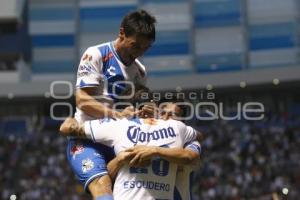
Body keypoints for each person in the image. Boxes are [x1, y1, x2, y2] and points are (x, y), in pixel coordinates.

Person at [67, 9, 156, 200]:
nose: (138, 52)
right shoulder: (96, 54)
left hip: (119, 141)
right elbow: (82, 100)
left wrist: (144, 110)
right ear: (122, 33)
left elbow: (133, 107)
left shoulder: (140, 71)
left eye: (144, 48)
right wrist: (115, 114)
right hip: (87, 138)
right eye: (135, 46)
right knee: (103, 187)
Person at [60, 103, 201, 200]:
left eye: (172, 115)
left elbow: (190, 156)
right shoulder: (121, 126)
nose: (165, 117)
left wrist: (154, 150)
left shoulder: (119, 126)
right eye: (163, 113)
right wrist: (120, 160)